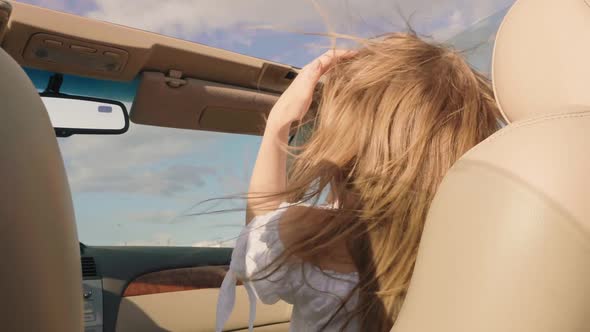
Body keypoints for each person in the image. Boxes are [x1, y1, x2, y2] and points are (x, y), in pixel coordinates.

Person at [215, 32, 503, 332]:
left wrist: (277, 125)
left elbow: (256, 238)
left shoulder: (317, 236)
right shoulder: (477, 244)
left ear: (345, 145)